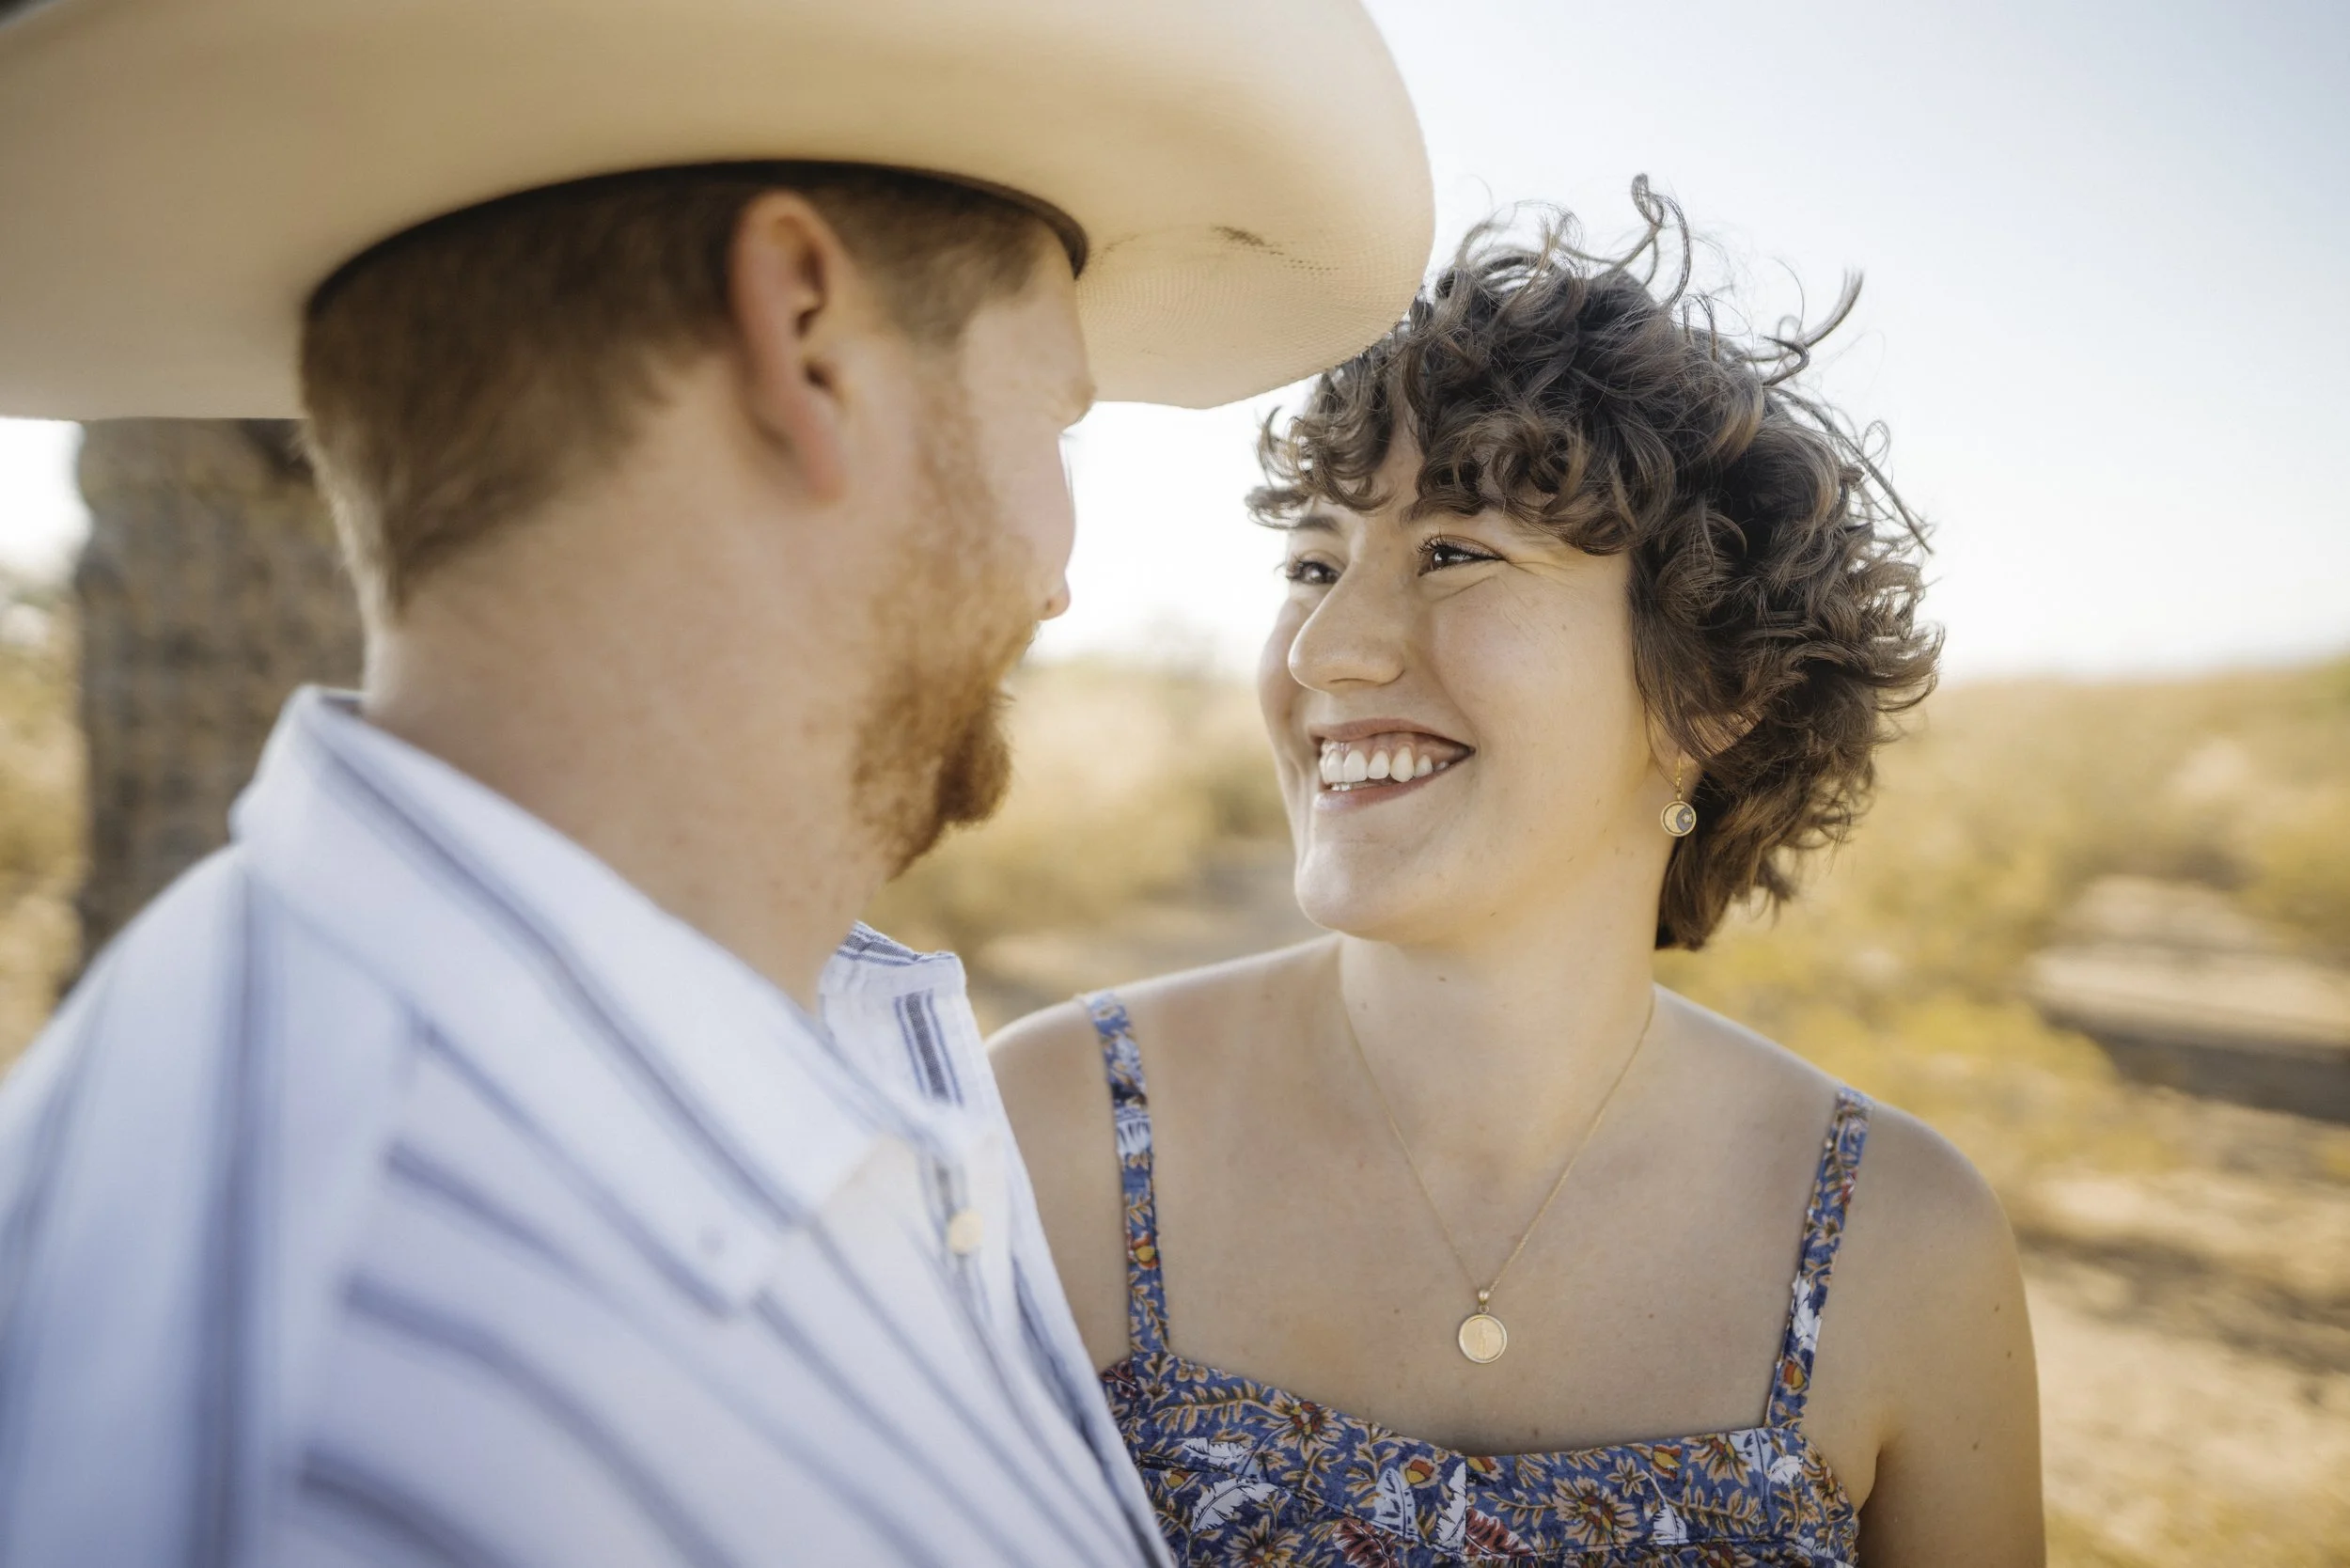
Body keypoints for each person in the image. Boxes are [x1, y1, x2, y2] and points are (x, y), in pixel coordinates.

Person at [0, 2, 1432, 1562]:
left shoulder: (786, 1031)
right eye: (1052, 419)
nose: (1058, 581)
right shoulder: (346, 1452)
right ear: (806, 344)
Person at [994, 193, 2045, 1567]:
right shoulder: (1047, 1136)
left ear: (1708, 690)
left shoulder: (1899, 1247)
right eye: (1312, 561)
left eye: (1455, 553)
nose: (1324, 650)